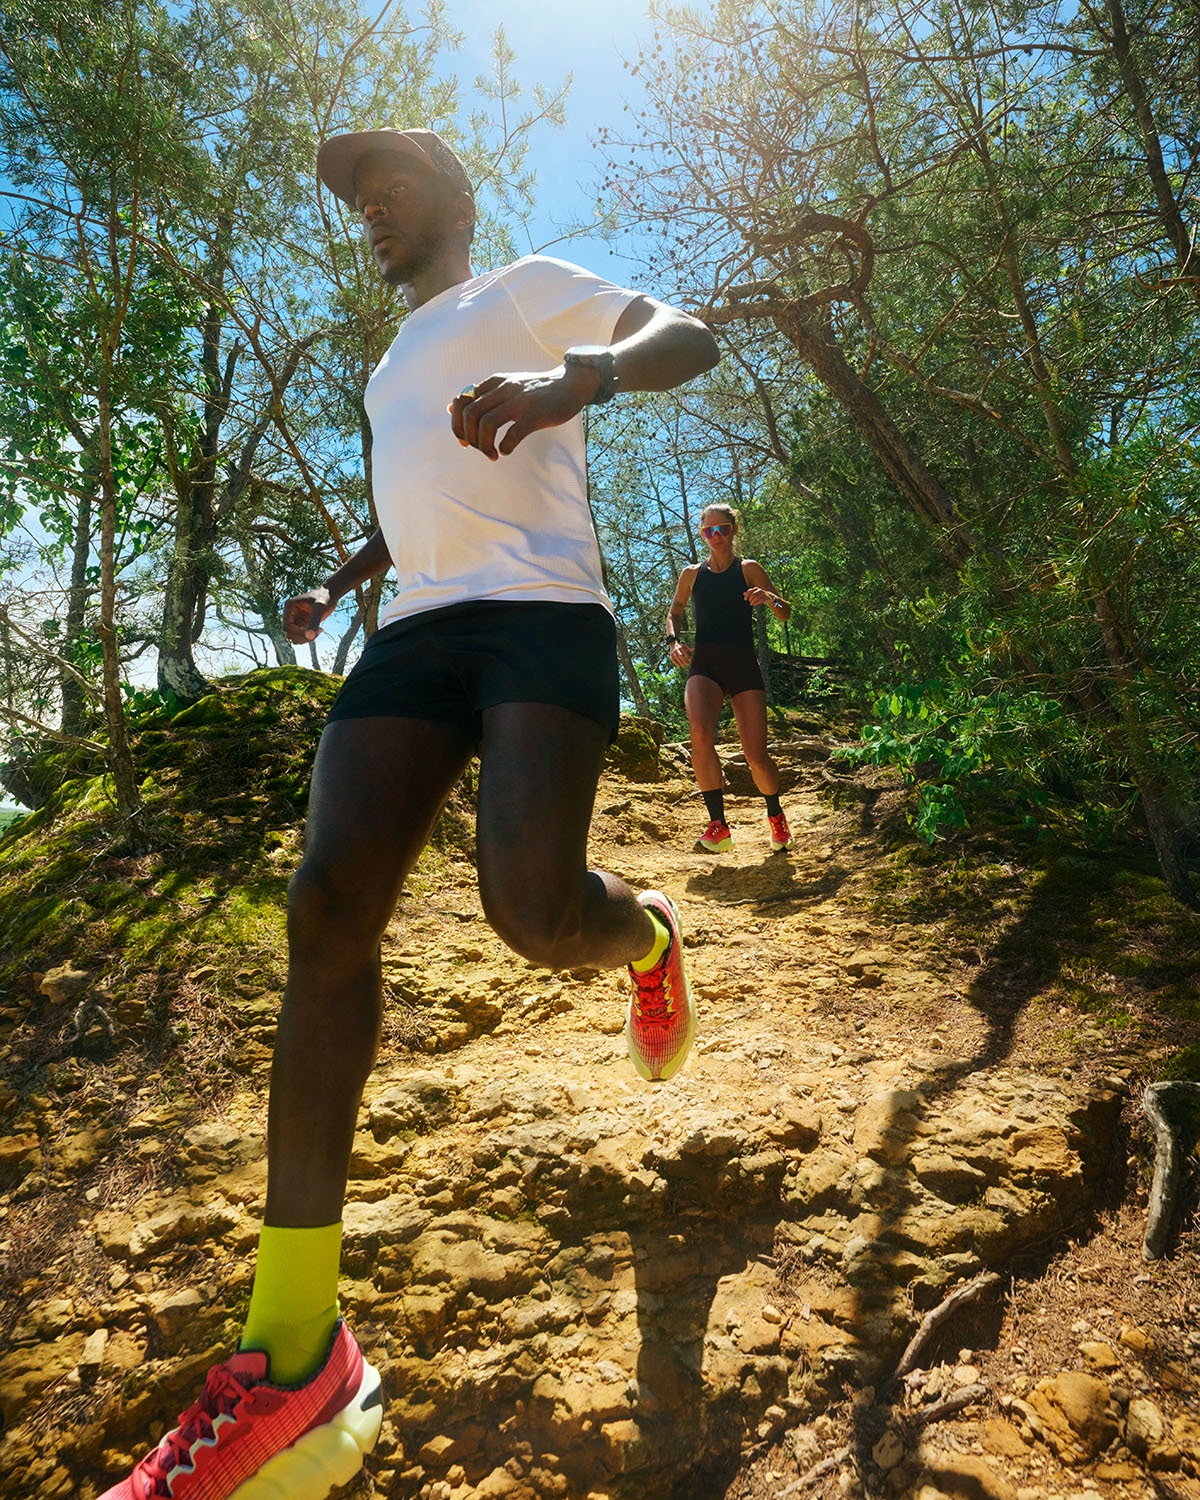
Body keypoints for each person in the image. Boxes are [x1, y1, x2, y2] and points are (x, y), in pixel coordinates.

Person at [101, 127, 718, 1500]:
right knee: (325, 909)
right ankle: (297, 1348)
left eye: (391, 189)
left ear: (453, 198)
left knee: (529, 912)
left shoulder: (529, 286)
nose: (371, 211)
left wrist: (585, 377)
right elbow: (413, 493)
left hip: (544, 620)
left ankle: (649, 936)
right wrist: (340, 577)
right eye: (357, 200)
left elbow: (694, 336)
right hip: (420, 630)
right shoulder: (386, 367)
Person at [666, 503, 794, 855]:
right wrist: (673, 641)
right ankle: (718, 826)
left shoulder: (748, 568)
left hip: (742, 666)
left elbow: (785, 613)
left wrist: (768, 598)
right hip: (705, 664)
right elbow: (675, 611)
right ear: (702, 535)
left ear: (733, 530)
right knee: (699, 733)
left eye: (722, 529)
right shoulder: (691, 574)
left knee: (756, 756)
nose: (716, 536)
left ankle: (775, 814)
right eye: (709, 531)